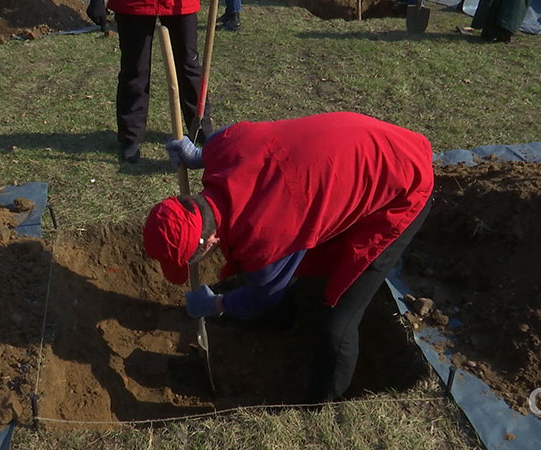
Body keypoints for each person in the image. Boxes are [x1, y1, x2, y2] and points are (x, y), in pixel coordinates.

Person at [143, 111, 434, 402]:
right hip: (362, 149)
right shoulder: (223, 147)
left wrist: (217, 304)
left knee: (339, 321)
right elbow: (230, 132)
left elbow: (264, 294)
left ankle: (324, 404)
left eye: (192, 258)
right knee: (301, 254)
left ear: (210, 242)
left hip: (403, 184)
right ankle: (283, 320)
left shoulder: (264, 238)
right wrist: (200, 155)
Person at [102, 0, 213, 163]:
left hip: (180, 3)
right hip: (134, 5)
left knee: (189, 66)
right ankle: (130, 136)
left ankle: (201, 128)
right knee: (135, 68)